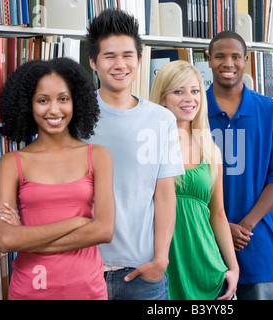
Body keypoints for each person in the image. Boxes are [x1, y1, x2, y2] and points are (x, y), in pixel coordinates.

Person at [0, 58, 115, 300]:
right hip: (30, 291)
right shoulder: (11, 162)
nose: (54, 110)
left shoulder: (98, 156)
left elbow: (104, 230)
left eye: (63, 99)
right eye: (42, 100)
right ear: (29, 105)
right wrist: (78, 222)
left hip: (87, 291)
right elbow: (6, 240)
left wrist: (26, 237)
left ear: (75, 101)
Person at [85, 9, 184, 300]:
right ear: (93, 61)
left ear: (140, 59)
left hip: (144, 272)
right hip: (85, 268)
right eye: (109, 56)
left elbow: (165, 194)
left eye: (128, 55)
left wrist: (161, 259)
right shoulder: (75, 115)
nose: (120, 64)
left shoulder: (161, 119)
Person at [206, 30, 273, 300]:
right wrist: (221, 228)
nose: (228, 63)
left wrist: (243, 225)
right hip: (205, 247)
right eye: (219, 56)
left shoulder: (270, 112)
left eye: (235, 57)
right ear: (208, 59)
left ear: (247, 60)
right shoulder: (192, 111)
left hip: (256, 246)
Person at [150, 60, 239, 300]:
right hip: (161, 267)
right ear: (162, 99)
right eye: (178, 91)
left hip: (206, 267)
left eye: (195, 91)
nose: (189, 98)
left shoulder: (210, 149)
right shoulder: (149, 145)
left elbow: (218, 214)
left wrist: (233, 267)